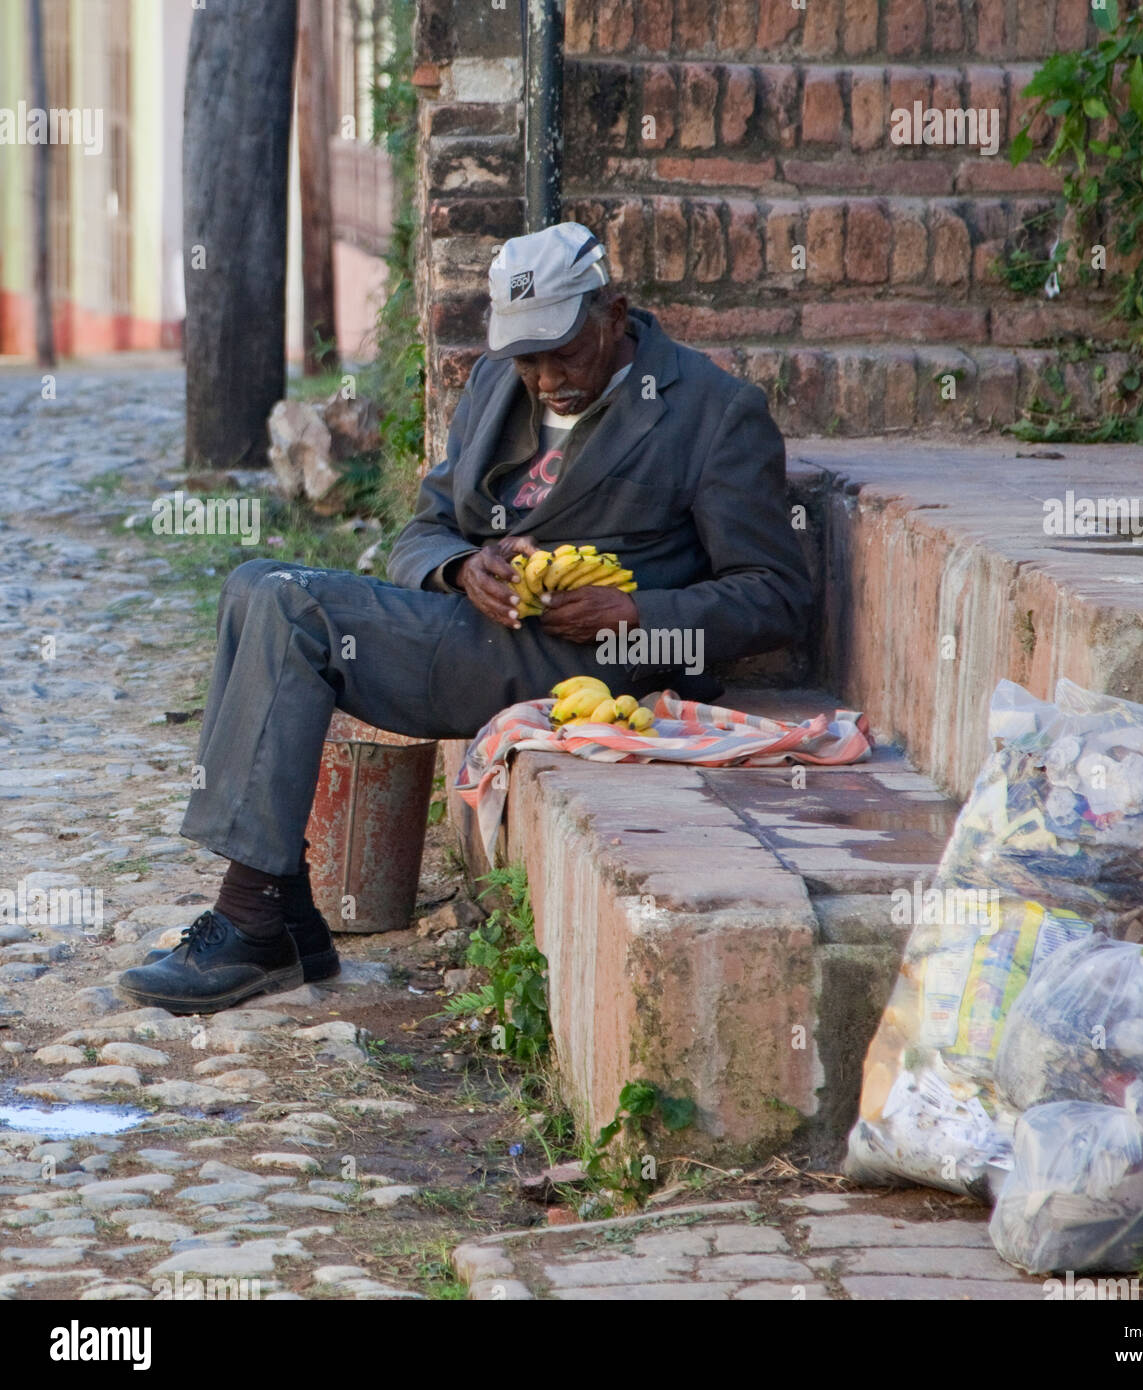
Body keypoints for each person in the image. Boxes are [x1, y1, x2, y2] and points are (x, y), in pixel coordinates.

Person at [117, 221, 812, 1015]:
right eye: (527, 356)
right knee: (252, 582)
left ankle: (253, 921)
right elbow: (422, 531)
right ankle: (280, 913)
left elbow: (776, 595)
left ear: (613, 314)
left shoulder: (714, 411)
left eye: (563, 351)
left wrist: (635, 611)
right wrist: (458, 567)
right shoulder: (495, 385)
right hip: (473, 628)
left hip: (588, 662)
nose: (545, 378)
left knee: (289, 603)